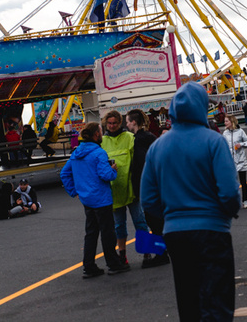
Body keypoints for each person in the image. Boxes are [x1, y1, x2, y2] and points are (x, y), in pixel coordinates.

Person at [141, 82, 241, 320]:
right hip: (212, 229)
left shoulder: (157, 147)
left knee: (188, 300)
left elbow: (148, 199)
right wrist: (226, 213)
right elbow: (228, 192)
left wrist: (171, 216)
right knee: (217, 301)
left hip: (175, 232)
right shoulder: (213, 141)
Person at [60, 122, 130, 278]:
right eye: (100, 131)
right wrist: (113, 171)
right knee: (108, 232)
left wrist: (74, 191)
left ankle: (89, 266)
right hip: (101, 198)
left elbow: (64, 174)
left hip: (87, 199)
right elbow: (106, 175)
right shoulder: (99, 153)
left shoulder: (76, 153)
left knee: (91, 233)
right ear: (96, 135)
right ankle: (113, 263)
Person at [101, 110, 148, 266]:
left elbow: (138, 160)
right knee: (119, 226)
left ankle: (147, 252)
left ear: (120, 122)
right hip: (114, 190)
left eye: (115, 123)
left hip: (131, 188)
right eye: (110, 123)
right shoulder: (102, 141)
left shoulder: (129, 137)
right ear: (106, 124)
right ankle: (122, 255)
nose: (113, 126)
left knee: (140, 221)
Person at [126, 109, 169, 269]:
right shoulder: (150, 137)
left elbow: (141, 165)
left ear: (134, 122)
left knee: (153, 221)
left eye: (128, 121)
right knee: (158, 220)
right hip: (156, 184)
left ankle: (161, 254)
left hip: (147, 186)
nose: (127, 124)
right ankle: (163, 252)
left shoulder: (139, 140)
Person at [223, 115, 247, 209]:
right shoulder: (225, 133)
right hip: (230, 162)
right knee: (232, 183)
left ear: (232, 122)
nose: (225, 123)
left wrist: (241, 144)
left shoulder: (240, 132)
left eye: (226, 121)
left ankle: (245, 201)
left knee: (243, 181)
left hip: (241, 160)